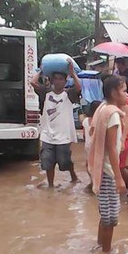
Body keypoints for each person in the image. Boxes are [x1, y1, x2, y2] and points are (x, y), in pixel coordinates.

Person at [87, 75, 128, 252]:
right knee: (110, 217)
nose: (127, 95)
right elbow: (111, 149)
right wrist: (119, 178)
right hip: (107, 172)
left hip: (102, 170)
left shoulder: (104, 108)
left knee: (105, 213)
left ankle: (99, 245)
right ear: (114, 92)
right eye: (124, 91)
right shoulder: (112, 115)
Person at [36, 59, 81, 188]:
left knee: (64, 162)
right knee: (47, 161)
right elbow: (33, 82)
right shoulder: (46, 93)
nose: (58, 81)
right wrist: (40, 71)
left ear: (65, 81)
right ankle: (51, 185)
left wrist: (72, 73)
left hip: (64, 136)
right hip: (47, 135)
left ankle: (73, 176)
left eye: (61, 79)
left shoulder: (69, 94)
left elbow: (78, 87)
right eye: (55, 78)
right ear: (52, 80)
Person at [82, 100, 103, 193]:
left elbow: (83, 135)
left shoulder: (85, 121)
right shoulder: (99, 121)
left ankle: (92, 182)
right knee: (98, 165)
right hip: (96, 147)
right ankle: (98, 184)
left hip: (88, 146)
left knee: (88, 165)